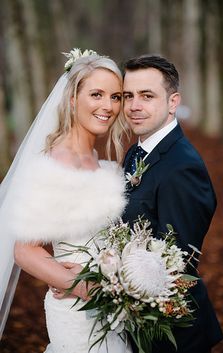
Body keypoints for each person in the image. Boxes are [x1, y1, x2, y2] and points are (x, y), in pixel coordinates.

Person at [0, 49, 132, 353]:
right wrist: (82, 286)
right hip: (77, 313)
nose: (108, 106)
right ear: (73, 99)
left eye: (115, 97)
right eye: (96, 94)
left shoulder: (103, 161)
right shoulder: (55, 164)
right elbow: (25, 250)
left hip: (115, 310)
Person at [122, 54, 223, 353]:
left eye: (147, 96)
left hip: (171, 334)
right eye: (128, 96)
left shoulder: (182, 167)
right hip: (137, 325)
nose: (134, 106)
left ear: (173, 101)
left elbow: (177, 261)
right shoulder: (137, 151)